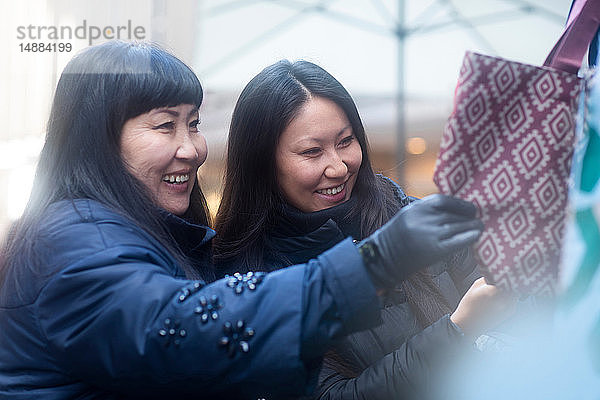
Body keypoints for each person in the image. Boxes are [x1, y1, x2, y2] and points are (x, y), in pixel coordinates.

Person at [0, 41, 485, 399]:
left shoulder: (160, 237)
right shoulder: (75, 243)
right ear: (98, 139)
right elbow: (191, 329)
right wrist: (377, 264)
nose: (190, 149)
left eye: (192, 123)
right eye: (165, 125)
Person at [214, 60, 516, 399]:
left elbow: (521, 328)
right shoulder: (244, 283)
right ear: (262, 164)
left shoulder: (417, 221)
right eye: (312, 152)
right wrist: (458, 330)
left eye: (346, 141)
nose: (339, 166)